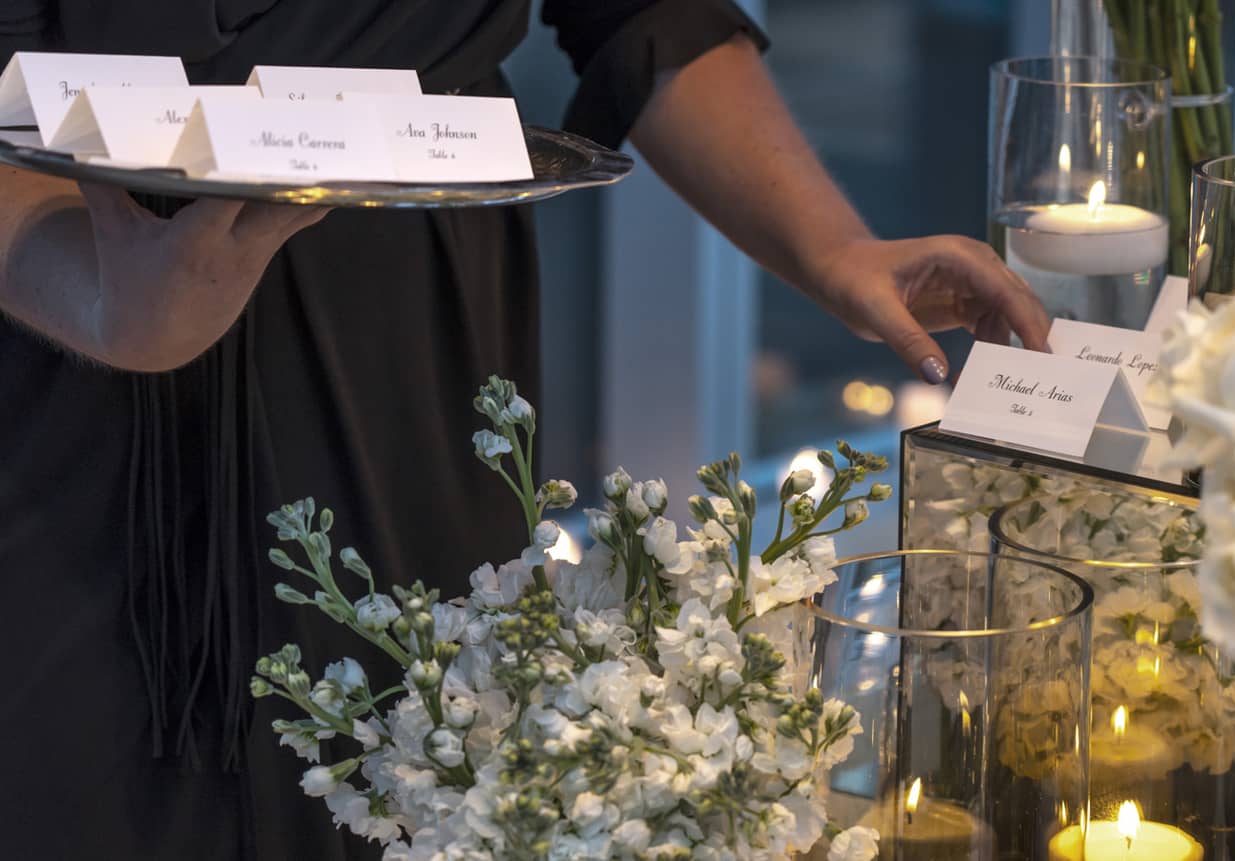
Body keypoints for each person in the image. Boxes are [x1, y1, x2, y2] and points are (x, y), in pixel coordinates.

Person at [0, 1, 1046, 858]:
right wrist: (103, 310)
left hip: (405, 342)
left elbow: (638, 10)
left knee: (420, 780)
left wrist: (831, 244)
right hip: (56, 323)